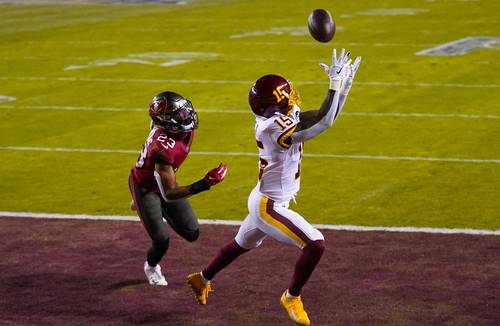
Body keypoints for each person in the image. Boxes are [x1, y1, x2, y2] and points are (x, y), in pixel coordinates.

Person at [186, 49, 361, 325]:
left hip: (265, 197)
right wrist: (335, 85)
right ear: (271, 107)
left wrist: (344, 86)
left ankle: (202, 278)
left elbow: (324, 117)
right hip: (269, 205)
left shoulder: (279, 115)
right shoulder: (271, 127)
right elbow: (326, 123)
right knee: (315, 244)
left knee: (241, 244)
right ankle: (291, 297)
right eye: (284, 97)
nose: (291, 98)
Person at [128, 91, 227, 286]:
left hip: (164, 179)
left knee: (191, 233)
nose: (187, 116)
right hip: (147, 187)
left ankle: (150, 209)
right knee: (161, 240)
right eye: (179, 115)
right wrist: (204, 183)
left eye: (184, 111)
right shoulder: (161, 149)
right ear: (167, 123)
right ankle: (151, 266)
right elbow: (170, 194)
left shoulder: (182, 129)